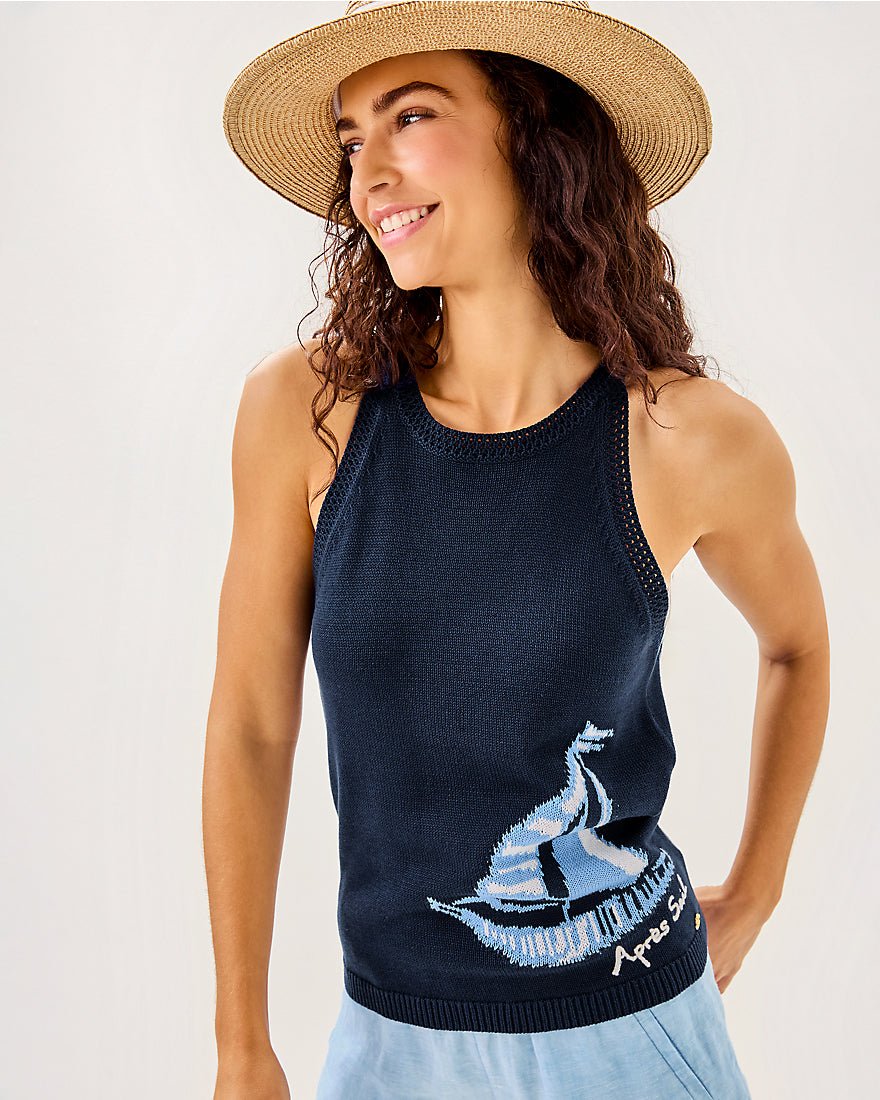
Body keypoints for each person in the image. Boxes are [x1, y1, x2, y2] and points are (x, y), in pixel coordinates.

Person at [205, 2, 830, 1097]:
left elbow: (798, 647)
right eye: (353, 139)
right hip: (387, 1043)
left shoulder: (686, 437)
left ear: (534, 132)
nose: (369, 173)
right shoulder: (305, 412)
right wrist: (241, 1045)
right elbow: (253, 726)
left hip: (633, 1036)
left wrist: (757, 887)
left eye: (411, 115)